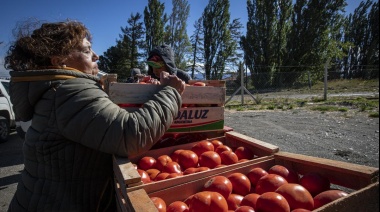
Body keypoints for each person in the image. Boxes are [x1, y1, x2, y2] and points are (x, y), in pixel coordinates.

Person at [5, 20, 185, 212]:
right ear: (59, 61)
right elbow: (131, 134)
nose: (96, 55)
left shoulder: (58, 90)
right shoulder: (69, 92)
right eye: (87, 50)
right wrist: (170, 92)